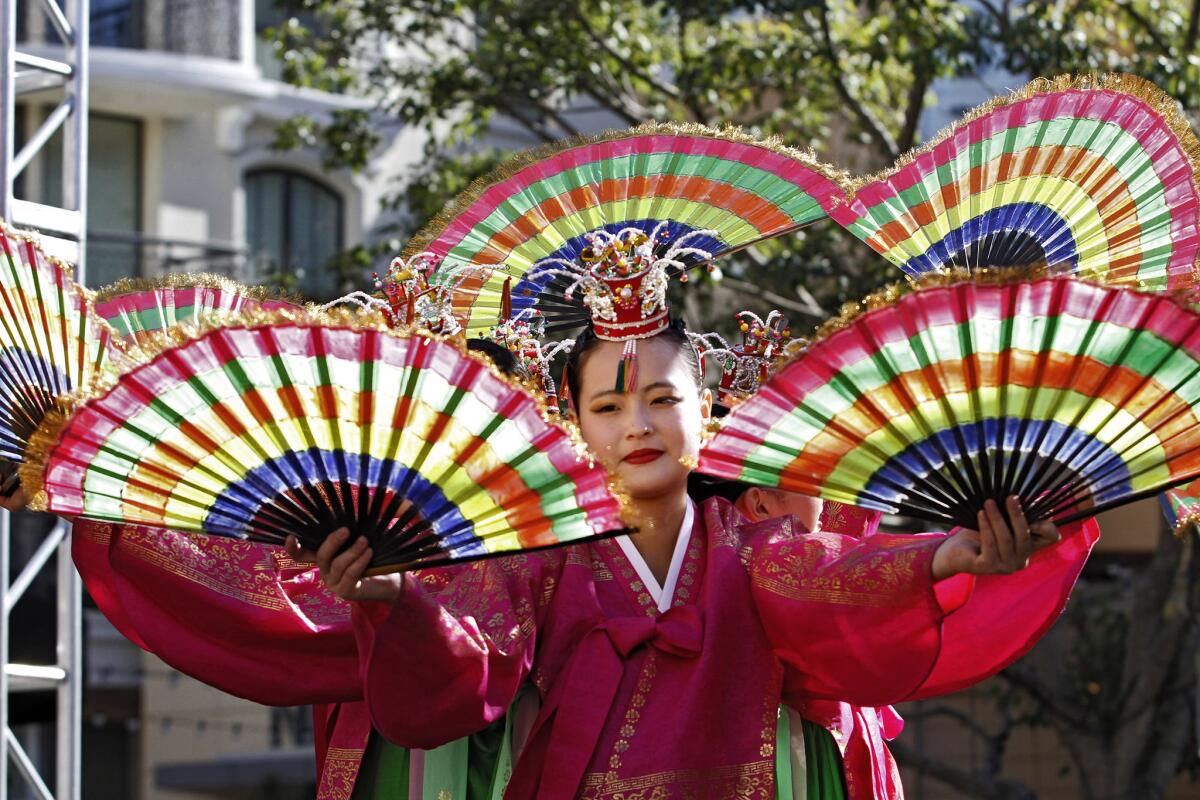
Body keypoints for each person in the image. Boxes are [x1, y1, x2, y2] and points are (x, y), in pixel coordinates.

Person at [303, 291, 1099, 799]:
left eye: (660, 399)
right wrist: (394, 600)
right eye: (609, 408)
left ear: (707, 410)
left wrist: (948, 556)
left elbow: (828, 583)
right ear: (574, 425)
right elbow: (469, 659)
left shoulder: (751, 545)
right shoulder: (542, 555)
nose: (637, 427)